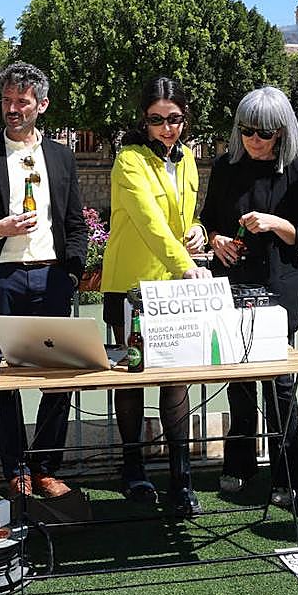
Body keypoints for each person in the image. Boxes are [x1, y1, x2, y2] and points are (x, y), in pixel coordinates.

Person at [0, 62, 88, 499]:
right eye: (7, 100)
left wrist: (70, 273)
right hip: (3, 280)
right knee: (3, 377)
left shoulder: (62, 157)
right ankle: (15, 469)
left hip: (52, 278)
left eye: (22, 102)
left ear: (41, 106)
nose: (12, 109)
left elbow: (74, 222)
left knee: (60, 375)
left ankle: (47, 465)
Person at [200, 86, 298, 508]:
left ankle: (288, 472)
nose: (253, 139)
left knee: (279, 384)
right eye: (246, 129)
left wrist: (273, 223)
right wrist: (217, 242)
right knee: (239, 382)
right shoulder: (226, 166)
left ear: (281, 132)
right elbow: (209, 220)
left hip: (279, 285)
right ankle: (239, 463)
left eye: (263, 132)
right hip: (232, 281)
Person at [101, 75, 212, 516]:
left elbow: (182, 218)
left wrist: (198, 232)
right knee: (132, 378)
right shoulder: (128, 160)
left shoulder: (186, 158)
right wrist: (187, 268)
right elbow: (148, 222)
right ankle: (133, 468)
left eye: (175, 119)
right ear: (143, 120)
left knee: (176, 379)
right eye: (157, 120)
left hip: (171, 287)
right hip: (130, 285)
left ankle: (180, 476)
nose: (168, 128)